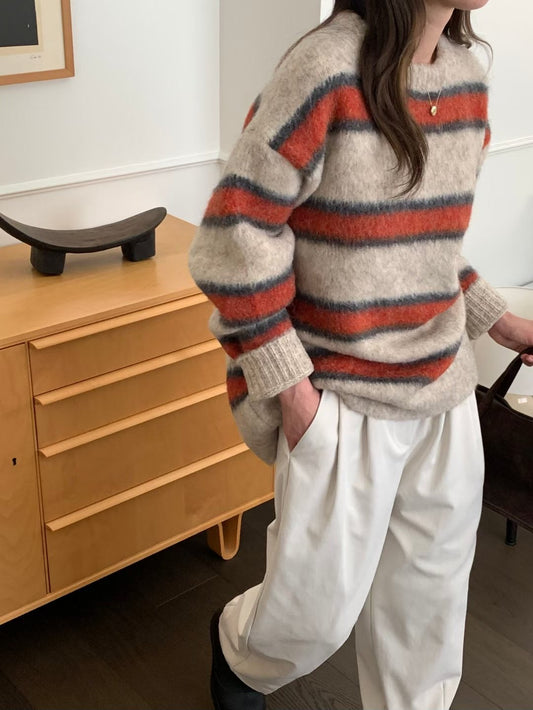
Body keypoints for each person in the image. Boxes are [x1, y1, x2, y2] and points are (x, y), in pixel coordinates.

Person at [188, 1, 533, 708]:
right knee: (311, 616)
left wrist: (496, 319)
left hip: (445, 392)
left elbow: (421, 244)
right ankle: (237, 653)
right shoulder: (325, 69)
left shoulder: (466, 77)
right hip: (341, 396)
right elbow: (233, 237)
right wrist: (291, 390)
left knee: (427, 613)